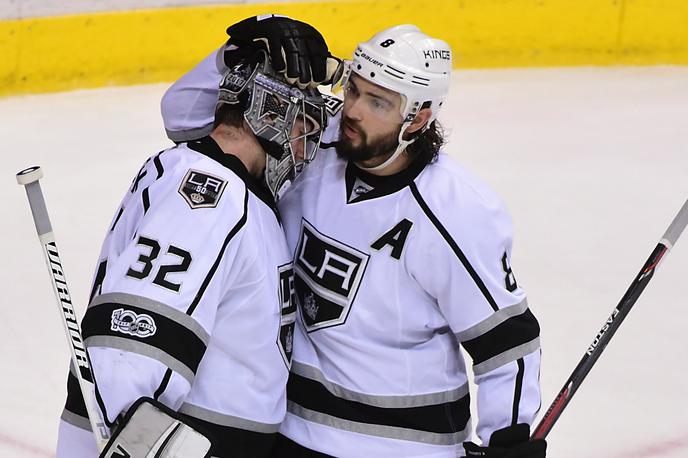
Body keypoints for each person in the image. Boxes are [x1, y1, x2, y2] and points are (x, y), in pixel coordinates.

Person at [162, 16, 546, 458]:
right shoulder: (312, 144)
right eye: (354, 90)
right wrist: (233, 58)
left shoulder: (458, 209)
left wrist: (508, 439)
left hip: (402, 449)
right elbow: (183, 118)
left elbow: (505, 342)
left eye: (378, 102)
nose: (354, 110)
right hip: (287, 432)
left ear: (417, 117)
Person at [56, 37, 331, 457]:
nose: (304, 145)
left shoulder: (218, 185)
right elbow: (132, 348)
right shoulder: (209, 196)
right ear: (267, 113)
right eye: (300, 126)